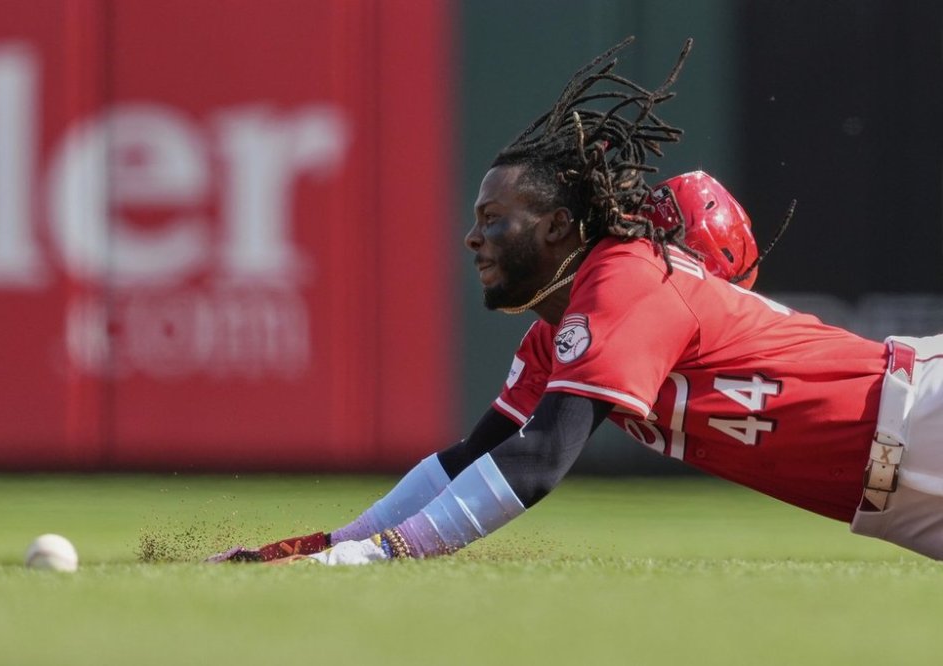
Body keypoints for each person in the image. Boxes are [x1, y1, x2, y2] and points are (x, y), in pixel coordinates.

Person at [209, 36, 943, 565]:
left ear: (559, 225)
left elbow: (538, 462)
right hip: (892, 501)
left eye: (494, 219)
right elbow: (479, 456)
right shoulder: (565, 326)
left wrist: (375, 557)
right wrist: (333, 543)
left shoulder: (631, 277)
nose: (472, 239)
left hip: (924, 416)